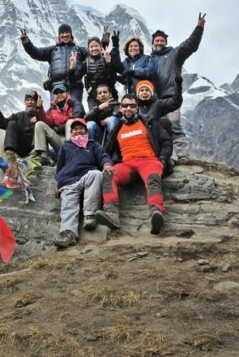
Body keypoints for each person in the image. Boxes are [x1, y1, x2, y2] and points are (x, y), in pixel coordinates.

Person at [96, 77, 183, 235]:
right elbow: (106, 151)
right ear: (120, 109)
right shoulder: (117, 129)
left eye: (132, 106)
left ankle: (156, 212)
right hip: (127, 165)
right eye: (125, 106)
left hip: (149, 161)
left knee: (153, 178)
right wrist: (107, 164)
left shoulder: (149, 122)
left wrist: (163, 159)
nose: (128, 108)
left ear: (137, 108)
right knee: (109, 175)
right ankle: (111, 214)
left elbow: (166, 142)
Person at [150, 13, 207, 163]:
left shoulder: (174, 54)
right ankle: (161, 158)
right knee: (157, 129)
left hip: (171, 97)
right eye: (157, 40)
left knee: (174, 125)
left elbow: (190, 45)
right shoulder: (148, 59)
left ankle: (183, 157)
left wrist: (199, 29)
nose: (159, 42)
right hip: (155, 100)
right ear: (152, 43)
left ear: (166, 42)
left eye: (162, 40)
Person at [53, 118, 115, 248]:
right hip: (68, 180)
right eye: (75, 129)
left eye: (81, 128)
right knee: (68, 205)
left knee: (97, 174)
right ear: (71, 132)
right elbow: (60, 166)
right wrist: (58, 185)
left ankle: (90, 215)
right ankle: (68, 234)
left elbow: (103, 156)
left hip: (87, 175)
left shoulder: (93, 144)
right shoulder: (66, 145)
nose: (78, 131)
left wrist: (107, 164)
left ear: (86, 131)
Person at [20, 24, 87, 103]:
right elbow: (37, 53)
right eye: (62, 33)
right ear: (59, 36)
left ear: (71, 35)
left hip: (75, 86)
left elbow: (94, 54)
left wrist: (80, 68)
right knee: (55, 111)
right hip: (56, 87)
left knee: (76, 109)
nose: (65, 35)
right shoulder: (53, 50)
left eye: (67, 32)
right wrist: (26, 42)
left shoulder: (79, 50)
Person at [32, 82, 85, 163]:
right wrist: (40, 108)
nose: (59, 94)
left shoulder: (75, 103)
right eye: (56, 93)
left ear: (67, 93)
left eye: (61, 92)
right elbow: (48, 122)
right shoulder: (52, 108)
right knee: (39, 124)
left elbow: (78, 116)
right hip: (59, 140)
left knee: (71, 122)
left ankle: (70, 153)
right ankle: (43, 156)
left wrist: (59, 128)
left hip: (74, 141)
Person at [0, 90, 45, 162]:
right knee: (11, 123)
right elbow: (3, 124)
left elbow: (48, 124)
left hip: (33, 150)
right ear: (25, 102)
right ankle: (10, 154)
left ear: (36, 102)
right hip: (19, 149)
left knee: (39, 125)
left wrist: (38, 117)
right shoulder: (19, 115)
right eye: (27, 100)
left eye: (32, 100)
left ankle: (35, 154)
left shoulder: (42, 115)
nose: (29, 102)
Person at [77, 26, 122, 110]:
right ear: (88, 48)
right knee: (93, 118)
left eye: (96, 46)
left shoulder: (107, 58)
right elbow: (76, 76)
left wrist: (108, 63)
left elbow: (113, 78)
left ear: (100, 46)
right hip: (93, 96)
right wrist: (72, 68)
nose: (94, 48)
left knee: (114, 119)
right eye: (91, 47)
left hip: (110, 94)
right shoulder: (86, 62)